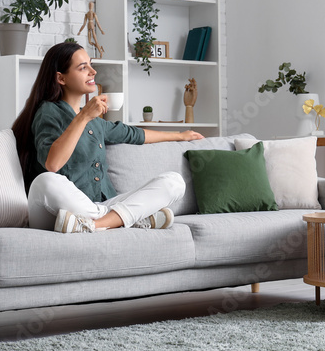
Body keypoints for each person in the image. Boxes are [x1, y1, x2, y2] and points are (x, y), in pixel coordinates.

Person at [11, 42, 203, 233]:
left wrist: (180, 135)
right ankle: (122, 218)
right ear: (61, 78)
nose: (93, 72)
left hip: (99, 206)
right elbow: (52, 164)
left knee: (174, 182)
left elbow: (134, 134)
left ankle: (95, 224)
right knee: (45, 181)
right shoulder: (49, 112)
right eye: (83, 67)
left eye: (90, 64)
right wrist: (84, 116)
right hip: (59, 210)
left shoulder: (95, 121)